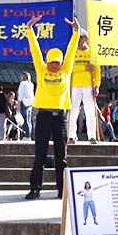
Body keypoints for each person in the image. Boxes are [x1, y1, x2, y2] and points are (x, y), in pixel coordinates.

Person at [25, 14, 79, 200]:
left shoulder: (66, 70)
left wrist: (76, 32)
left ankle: (62, 190)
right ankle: (35, 189)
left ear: (61, 62)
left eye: (57, 62)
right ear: (47, 61)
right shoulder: (41, 69)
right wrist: (30, 29)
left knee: (60, 156)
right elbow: (35, 50)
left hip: (60, 118)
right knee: (40, 155)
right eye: (51, 62)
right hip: (43, 116)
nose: (54, 65)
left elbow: (71, 51)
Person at [68, 29, 102, 144]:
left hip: (88, 85)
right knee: (73, 111)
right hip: (75, 86)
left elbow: (97, 70)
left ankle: (92, 136)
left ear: (85, 38)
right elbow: (70, 68)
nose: (78, 40)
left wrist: (96, 86)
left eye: (81, 37)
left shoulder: (92, 53)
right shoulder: (72, 52)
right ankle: (71, 136)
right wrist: (84, 68)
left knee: (90, 111)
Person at [17, 72, 35, 140]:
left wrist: (18, 103)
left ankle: (26, 135)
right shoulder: (31, 84)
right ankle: (29, 135)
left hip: (24, 102)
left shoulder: (23, 84)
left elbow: (21, 94)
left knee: (24, 119)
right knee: (29, 120)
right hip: (30, 103)